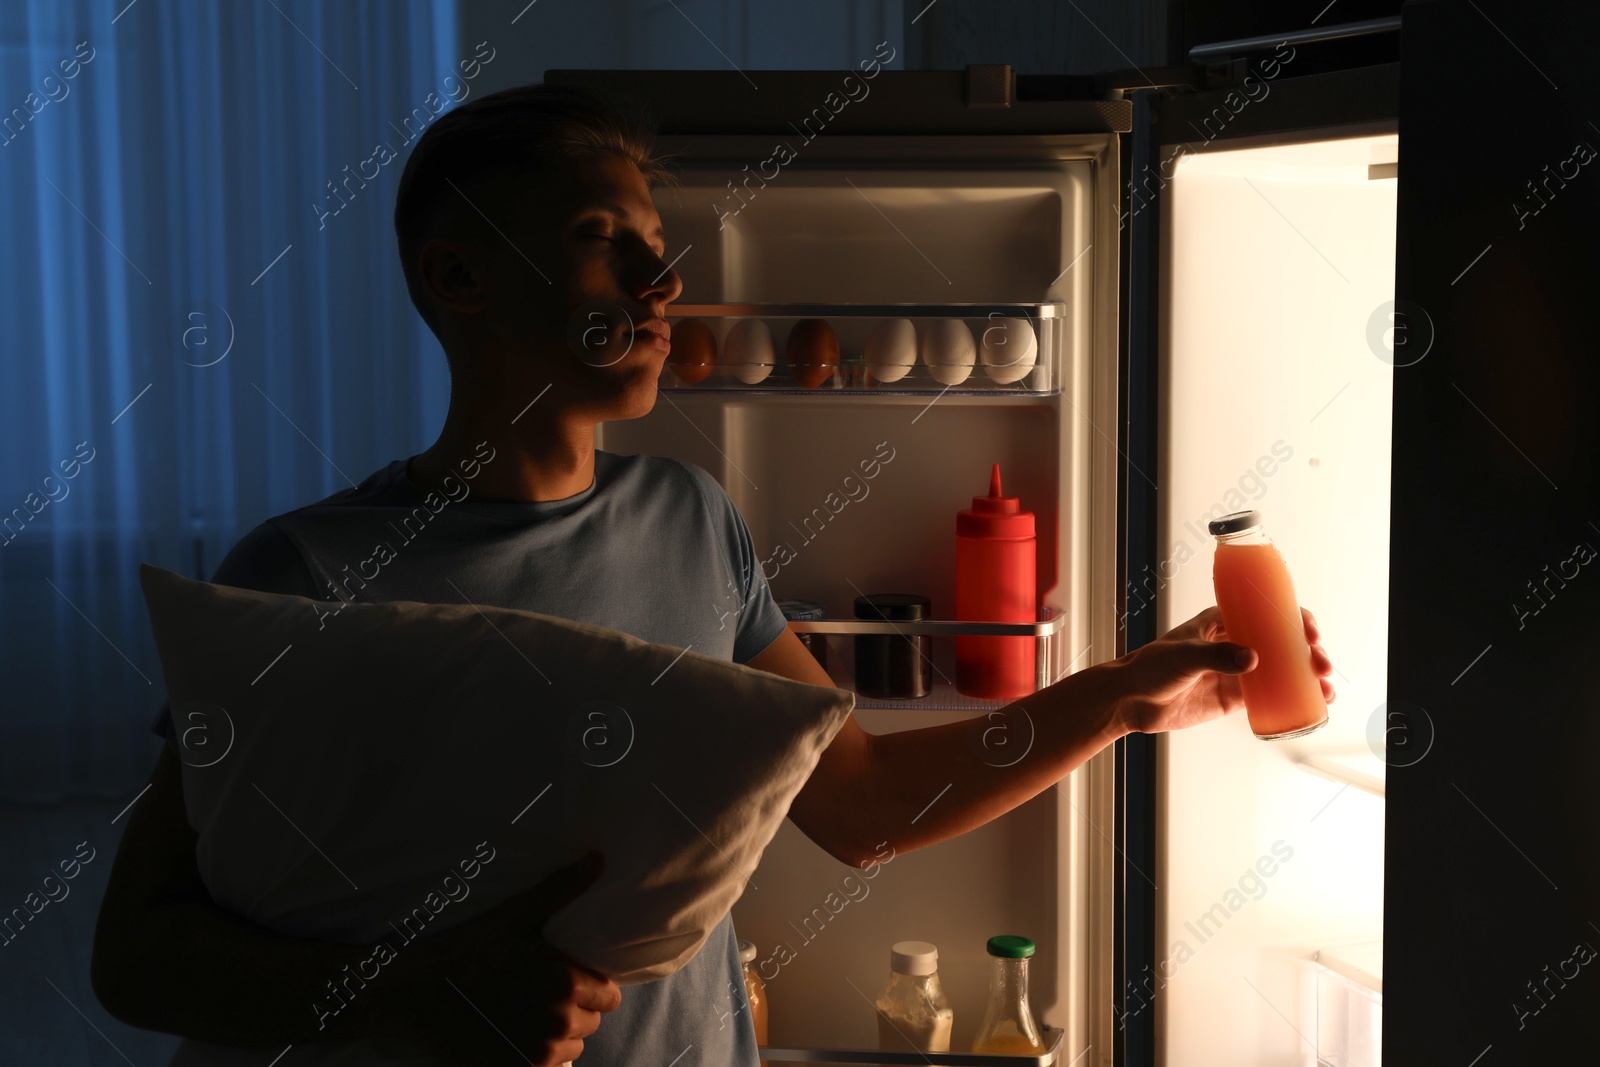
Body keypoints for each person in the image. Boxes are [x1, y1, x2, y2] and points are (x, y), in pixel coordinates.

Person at [91, 83, 1336, 1067]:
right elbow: (139, 953)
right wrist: (421, 987)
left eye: (657, 246)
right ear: (456, 277)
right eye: (600, 243)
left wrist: (1125, 692)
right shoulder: (303, 571)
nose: (659, 282)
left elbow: (855, 803)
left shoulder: (690, 519)